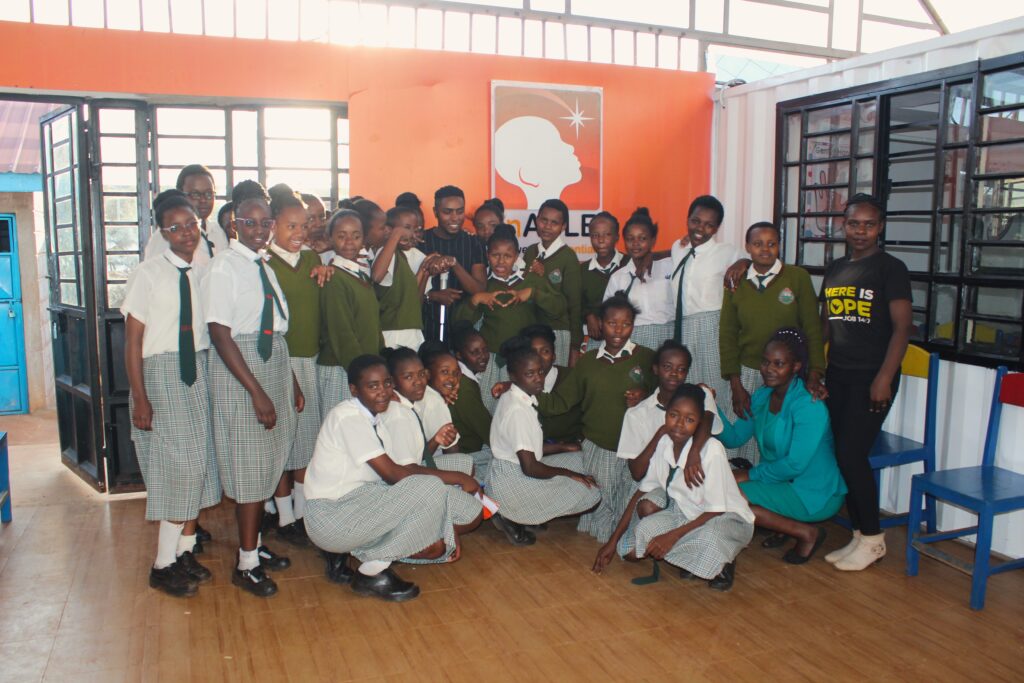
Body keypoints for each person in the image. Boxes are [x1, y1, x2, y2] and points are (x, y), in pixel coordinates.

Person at [303, 355, 483, 602]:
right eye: (372, 386)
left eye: (387, 383)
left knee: (452, 504)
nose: (383, 392)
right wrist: (456, 478)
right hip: (332, 515)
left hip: (361, 500)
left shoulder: (374, 419)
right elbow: (394, 474)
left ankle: (369, 556)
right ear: (354, 389)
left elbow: (400, 471)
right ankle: (371, 570)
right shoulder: (347, 417)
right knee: (430, 489)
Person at [123, 189, 221, 597]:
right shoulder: (148, 273)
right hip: (160, 373)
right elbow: (132, 342)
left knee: (198, 464)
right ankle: (162, 564)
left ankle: (183, 553)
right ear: (162, 232)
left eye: (191, 225)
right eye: (175, 227)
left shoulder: (203, 270)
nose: (185, 233)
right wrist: (140, 397)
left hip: (195, 369)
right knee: (177, 468)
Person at [203, 180, 299, 597]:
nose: (259, 229)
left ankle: (256, 546)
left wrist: (289, 379)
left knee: (268, 461)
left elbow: (277, 329)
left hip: (272, 362)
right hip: (242, 369)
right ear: (234, 224)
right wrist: (257, 392)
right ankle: (245, 563)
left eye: (265, 222)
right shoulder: (224, 266)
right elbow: (221, 334)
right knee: (248, 464)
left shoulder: (264, 266)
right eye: (249, 222)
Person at [507, 295, 656, 543]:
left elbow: (667, 395)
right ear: (599, 323)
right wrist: (520, 388)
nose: (618, 330)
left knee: (628, 496)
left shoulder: (647, 358)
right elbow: (559, 402)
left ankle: (622, 539)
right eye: (611, 323)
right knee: (603, 497)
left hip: (636, 446)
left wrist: (646, 395)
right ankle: (605, 540)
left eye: (626, 324)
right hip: (600, 444)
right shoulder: (589, 361)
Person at [818, 194, 912, 571]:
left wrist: (884, 378)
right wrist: (815, 367)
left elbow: (903, 328)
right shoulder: (836, 268)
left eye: (869, 224)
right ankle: (859, 534)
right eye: (854, 223)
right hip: (838, 373)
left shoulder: (891, 268)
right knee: (841, 453)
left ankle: (873, 539)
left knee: (851, 455)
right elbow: (826, 322)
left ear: (880, 227)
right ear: (843, 225)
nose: (861, 230)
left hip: (873, 377)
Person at [594, 384, 755, 591]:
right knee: (641, 535)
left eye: (689, 420)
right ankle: (694, 557)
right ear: (666, 413)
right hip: (685, 514)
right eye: (674, 415)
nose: (679, 424)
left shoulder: (712, 450)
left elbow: (716, 509)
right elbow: (641, 492)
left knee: (709, 539)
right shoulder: (664, 444)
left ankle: (725, 559)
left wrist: (673, 535)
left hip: (724, 517)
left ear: (699, 423)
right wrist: (611, 541)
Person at [716, 329, 846, 564]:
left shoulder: (809, 404)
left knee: (731, 493)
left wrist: (748, 474)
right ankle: (787, 527)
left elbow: (795, 465)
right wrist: (709, 405)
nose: (769, 369)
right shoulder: (763, 396)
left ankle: (807, 533)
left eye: (779, 363)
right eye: (765, 362)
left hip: (814, 492)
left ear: (796, 366)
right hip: (780, 481)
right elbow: (734, 438)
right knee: (726, 491)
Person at [719, 221, 825, 465]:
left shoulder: (797, 277)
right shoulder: (736, 281)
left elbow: (812, 327)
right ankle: (744, 490)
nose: (764, 250)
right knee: (744, 438)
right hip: (748, 373)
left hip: (788, 375)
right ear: (747, 247)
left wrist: (815, 373)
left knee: (780, 436)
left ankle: (775, 491)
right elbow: (727, 332)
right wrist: (735, 383)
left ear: (779, 246)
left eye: (771, 244)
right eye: (757, 244)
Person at [265, 184, 333, 546]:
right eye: (291, 226)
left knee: (307, 440)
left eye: (304, 225)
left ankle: (305, 514)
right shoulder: (263, 263)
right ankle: (284, 514)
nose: (299, 233)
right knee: (280, 442)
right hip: (278, 361)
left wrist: (326, 273)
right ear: (273, 225)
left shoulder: (313, 261)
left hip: (311, 360)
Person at [486, 339, 601, 546]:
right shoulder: (517, 411)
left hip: (508, 470)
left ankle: (525, 513)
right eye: (530, 374)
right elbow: (530, 467)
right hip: (512, 481)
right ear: (513, 377)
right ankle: (512, 514)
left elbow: (529, 449)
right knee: (589, 489)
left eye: (540, 372)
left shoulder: (518, 395)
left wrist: (563, 447)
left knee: (582, 460)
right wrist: (570, 474)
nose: (538, 379)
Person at [454, 225, 566, 374]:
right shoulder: (483, 284)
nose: (501, 261)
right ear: (487, 255)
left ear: (516, 256)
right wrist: (476, 299)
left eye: (507, 256)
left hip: (526, 360)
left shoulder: (530, 279)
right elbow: (459, 324)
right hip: (492, 362)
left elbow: (559, 308)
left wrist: (533, 294)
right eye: (495, 255)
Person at [670, 196, 745, 409]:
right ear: (687, 219)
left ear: (716, 228)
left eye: (708, 225)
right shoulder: (678, 246)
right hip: (682, 327)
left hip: (713, 328)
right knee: (687, 388)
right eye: (695, 221)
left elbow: (753, 261)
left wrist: (744, 261)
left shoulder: (727, 251)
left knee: (715, 388)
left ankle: (719, 438)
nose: (700, 228)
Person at [617, 340, 722, 484]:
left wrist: (694, 452)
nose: (674, 374)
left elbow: (707, 420)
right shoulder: (636, 414)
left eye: (681, 369)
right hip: (651, 486)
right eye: (667, 367)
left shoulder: (699, 396)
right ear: (656, 369)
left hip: (691, 480)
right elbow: (636, 473)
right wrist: (660, 433)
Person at [317, 208, 384, 416]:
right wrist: (362, 377)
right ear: (330, 238)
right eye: (341, 236)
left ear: (363, 239)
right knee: (343, 434)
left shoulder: (360, 275)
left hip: (361, 370)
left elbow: (373, 325)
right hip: (344, 370)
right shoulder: (334, 279)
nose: (349, 242)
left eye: (356, 236)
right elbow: (342, 334)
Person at [380, 346, 474, 475]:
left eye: (421, 374)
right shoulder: (399, 414)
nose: (418, 381)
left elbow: (418, 457)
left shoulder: (409, 406)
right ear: (392, 382)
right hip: (404, 477)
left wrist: (436, 440)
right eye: (408, 377)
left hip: (414, 467)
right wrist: (458, 478)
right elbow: (407, 470)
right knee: (466, 466)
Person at [370, 205, 444, 350]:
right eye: (407, 228)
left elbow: (415, 301)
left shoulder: (411, 256)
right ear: (388, 230)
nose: (413, 234)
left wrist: (424, 271)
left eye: (417, 229)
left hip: (412, 330)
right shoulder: (388, 254)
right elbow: (377, 276)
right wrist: (396, 236)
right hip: (392, 333)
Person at [421, 341, 494, 481]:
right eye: (445, 372)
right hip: (436, 464)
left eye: (456, 373)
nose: (452, 378)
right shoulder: (437, 403)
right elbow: (453, 453)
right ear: (427, 374)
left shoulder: (425, 394)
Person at [523, 198, 583, 367]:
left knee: (554, 383)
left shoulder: (568, 257)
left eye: (554, 223)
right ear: (536, 220)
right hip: (532, 330)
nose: (547, 226)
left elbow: (574, 305)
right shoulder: (530, 252)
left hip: (558, 332)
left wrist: (575, 347)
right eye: (544, 220)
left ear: (563, 226)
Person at [603, 208, 674, 350]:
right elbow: (608, 314)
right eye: (630, 239)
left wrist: (653, 256)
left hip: (669, 336)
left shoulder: (669, 266)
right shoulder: (618, 277)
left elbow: (687, 248)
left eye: (642, 238)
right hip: (635, 339)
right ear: (623, 241)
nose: (636, 244)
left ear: (653, 240)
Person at [421, 186, 487, 340]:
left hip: (463, 330)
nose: (455, 218)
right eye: (447, 212)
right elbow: (407, 291)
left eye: (459, 211)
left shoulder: (474, 243)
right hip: (426, 327)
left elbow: (479, 290)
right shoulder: (421, 242)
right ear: (435, 211)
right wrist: (432, 296)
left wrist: (454, 264)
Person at [144, 164, 228, 263]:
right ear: (181, 195)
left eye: (209, 194)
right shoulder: (167, 235)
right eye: (195, 194)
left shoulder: (218, 232)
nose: (203, 200)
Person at [519, 323, 581, 444]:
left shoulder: (571, 378)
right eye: (533, 352)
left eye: (545, 351)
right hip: (532, 448)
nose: (539, 358)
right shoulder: (520, 380)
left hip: (568, 447)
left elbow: (553, 407)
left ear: (553, 356)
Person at [580, 211, 623, 351]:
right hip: (596, 340)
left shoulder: (629, 264)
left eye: (607, 234)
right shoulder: (582, 271)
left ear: (617, 236)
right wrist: (588, 315)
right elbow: (575, 301)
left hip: (628, 337)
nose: (601, 240)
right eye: (595, 235)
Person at [450, 321, 501, 416]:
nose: (483, 356)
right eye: (475, 352)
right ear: (459, 355)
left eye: (485, 350)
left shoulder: (472, 376)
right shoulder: (463, 386)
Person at [301, 193, 334, 265]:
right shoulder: (290, 252)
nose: (319, 224)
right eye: (311, 219)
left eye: (322, 217)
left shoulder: (334, 248)